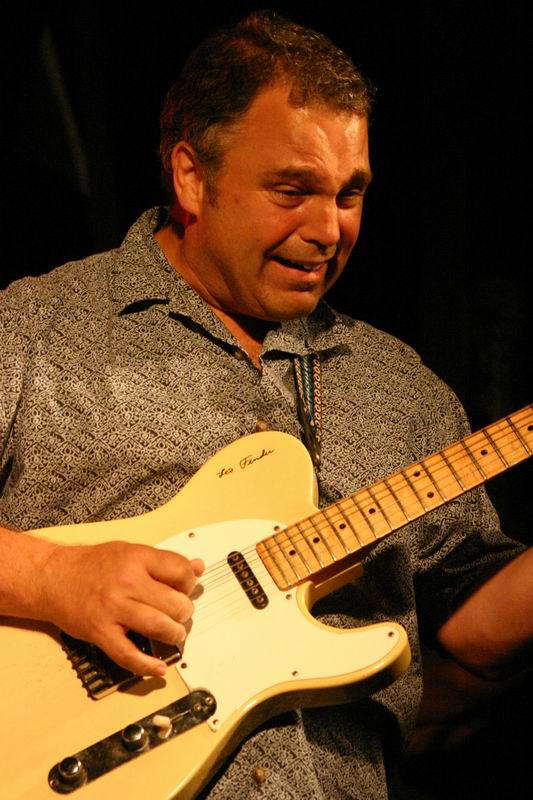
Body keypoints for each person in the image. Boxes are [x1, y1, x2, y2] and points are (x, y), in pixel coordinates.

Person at [0, 11, 531, 799]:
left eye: (350, 194)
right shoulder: (34, 327)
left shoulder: (404, 389)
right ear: (191, 176)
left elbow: (464, 648)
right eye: (292, 190)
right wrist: (51, 577)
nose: (327, 229)